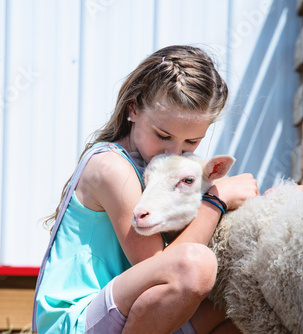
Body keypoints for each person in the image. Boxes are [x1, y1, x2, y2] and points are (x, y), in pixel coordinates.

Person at [32, 45, 259, 334]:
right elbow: (162, 267)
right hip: (74, 322)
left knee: (238, 305)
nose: (174, 151)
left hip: (128, 311)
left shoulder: (155, 167)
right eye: (163, 135)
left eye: (191, 143)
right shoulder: (112, 168)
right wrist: (217, 199)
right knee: (195, 266)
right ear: (133, 109)